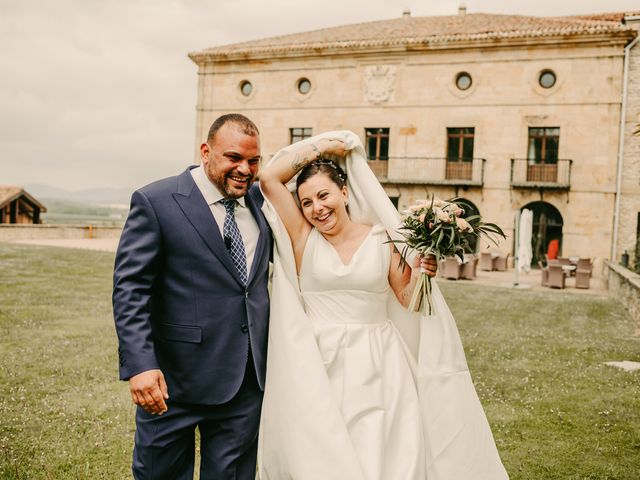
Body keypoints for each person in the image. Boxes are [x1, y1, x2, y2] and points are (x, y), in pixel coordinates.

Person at [257, 131, 509, 480]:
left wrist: (423, 274)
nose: (317, 208)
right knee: (320, 458)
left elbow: (408, 299)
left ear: (344, 193)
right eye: (307, 202)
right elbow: (269, 177)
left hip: (380, 364)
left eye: (324, 195)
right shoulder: (303, 238)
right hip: (316, 363)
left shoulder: (382, 238)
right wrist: (324, 148)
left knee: (382, 457)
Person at [112, 113, 272, 479]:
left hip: (245, 382)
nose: (244, 170)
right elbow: (130, 289)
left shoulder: (263, 203)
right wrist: (140, 365)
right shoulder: (156, 201)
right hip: (172, 382)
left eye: (253, 160)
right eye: (233, 158)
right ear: (206, 151)